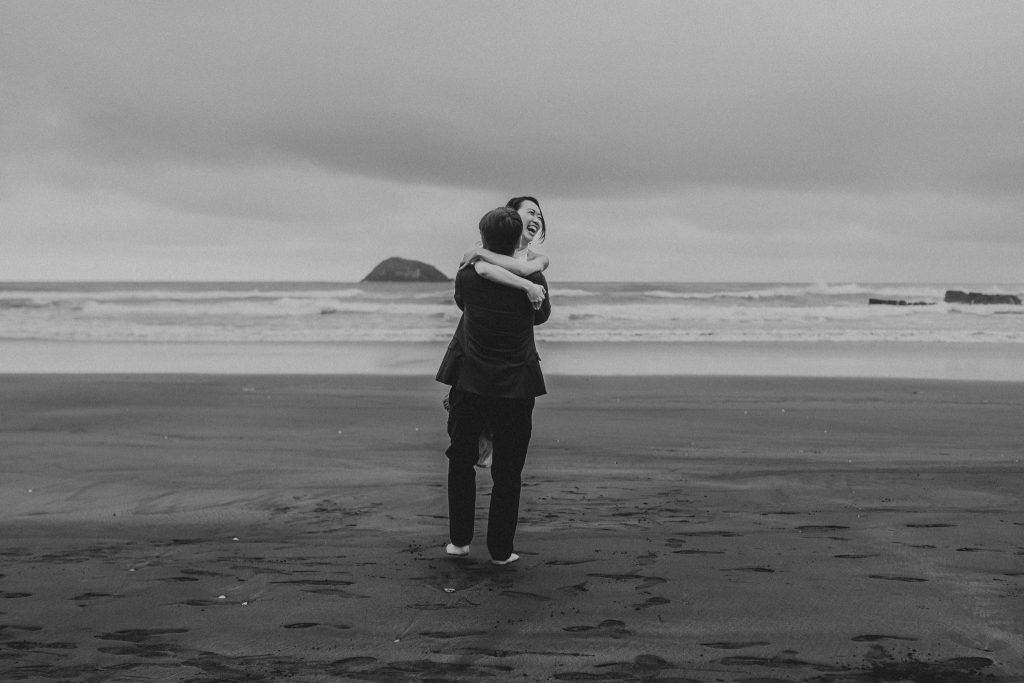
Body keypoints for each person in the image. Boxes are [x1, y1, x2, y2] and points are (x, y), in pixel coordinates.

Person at [436, 206, 551, 566]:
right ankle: (501, 551)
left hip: (470, 382)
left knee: (460, 460)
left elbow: (462, 303)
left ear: (483, 239)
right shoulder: (532, 280)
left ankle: (459, 542)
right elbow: (542, 315)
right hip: (516, 385)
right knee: (508, 472)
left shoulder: (468, 275)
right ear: (517, 237)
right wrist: (527, 284)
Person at [446, 196, 550, 468]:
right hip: (479, 361)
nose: (537, 219)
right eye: (530, 212)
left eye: (540, 215)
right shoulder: (478, 257)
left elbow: (465, 297)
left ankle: (486, 441)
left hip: (500, 364)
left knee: (475, 456)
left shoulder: (532, 263)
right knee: (484, 457)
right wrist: (526, 288)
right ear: (512, 218)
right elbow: (539, 314)